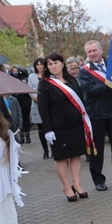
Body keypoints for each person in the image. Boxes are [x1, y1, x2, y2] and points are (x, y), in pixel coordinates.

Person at [78, 40, 112, 190]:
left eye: (95, 50)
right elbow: (91, 90)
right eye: (89, 52)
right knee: (98, 149)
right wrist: (111, 84)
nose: (93, 54)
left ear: (101, 50)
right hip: (96, 114)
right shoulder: (84, 71)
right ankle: (98, 180)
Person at [37, 53, 91, 203]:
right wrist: (47, 130)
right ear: (47, 67)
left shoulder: (72, 80)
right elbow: (43, 108)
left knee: (75, 155)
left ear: (62, 64)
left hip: (75, 125)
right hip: (57, 128)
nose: (53, 66)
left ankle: (77, 185)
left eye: (56, 63)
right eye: (50, 64)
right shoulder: (45, 84)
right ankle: (67, 187)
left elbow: (80, 101)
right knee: (61, 158)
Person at [28, 58, 50, 159]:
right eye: (37, 65)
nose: (40, 66)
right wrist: (37, 98)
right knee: (41, 129)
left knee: (51, 127)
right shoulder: (32, 76)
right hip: (37, 106)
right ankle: (45, 150)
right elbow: (30, 90)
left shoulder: (48, 75)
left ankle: (54, 150)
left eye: (41, 64)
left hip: (49, 106)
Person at [9, 67, 30, 144]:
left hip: (25, 99)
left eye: (16, 71)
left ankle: (27, 135)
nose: (15, 72)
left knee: (26, 118)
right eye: (13, 71)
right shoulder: (10, 79)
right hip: (16, 99)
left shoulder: (24, 78)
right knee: (18, 117)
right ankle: (21, 136)